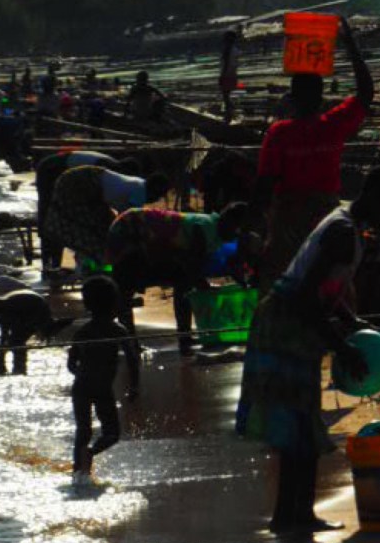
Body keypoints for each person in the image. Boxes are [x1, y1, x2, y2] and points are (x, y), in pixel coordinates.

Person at [236, 165, 380, 543]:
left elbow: (325, 293)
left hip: (296, 324)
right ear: (377, 197)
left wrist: (355, 325)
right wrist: (342, 347)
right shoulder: (343, 233)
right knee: (297, 429)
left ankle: (298, 514)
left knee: (303, 427)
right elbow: (304, 297)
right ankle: (290, 517)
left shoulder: (348, 226)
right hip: (286, 325)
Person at [252, 18, 374, 285]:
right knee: (329, 281)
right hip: (326, 216)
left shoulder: (280, 133)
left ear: (292, 100)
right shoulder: (333, 125)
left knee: (281, 283)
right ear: (321, 99)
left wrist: (254, 231)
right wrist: (351, 46)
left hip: (288, 220)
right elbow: (366, 92)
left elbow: (264, 185)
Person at [107, 201, 257, 354]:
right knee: (126, 289)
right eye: (237, 230)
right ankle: (125, 343)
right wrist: (206, 289)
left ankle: (183, 335)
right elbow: (193, 268)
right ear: (229, 222)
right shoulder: (204, 228)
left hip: (143, 234)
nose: (236, 235)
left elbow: (195, 266)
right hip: (130, 228)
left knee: (182, 281)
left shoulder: (216, 235)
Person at [67, 275, 140, 482]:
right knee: (112, 434)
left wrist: (82, 373)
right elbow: (133, 360)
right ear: (114, 302)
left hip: (81, 386)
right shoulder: (118, 330)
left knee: (83, 430)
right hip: (102, 389)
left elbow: (71, 364)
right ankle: (90, 453)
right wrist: (134, 387)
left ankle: (77, 471)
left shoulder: (82, 332)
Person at [44, 164, 170, 270]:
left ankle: (87, 263)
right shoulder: (141, 191)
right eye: (158, 195)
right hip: (82, 183)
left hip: (87, 182)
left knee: (100, 226)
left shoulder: (139, 183)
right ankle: (88, 267)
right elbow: (129, 220)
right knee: (89, 230)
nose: (156, 200)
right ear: (154, 190)